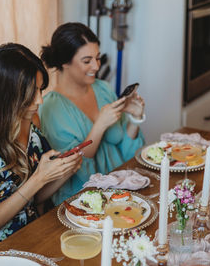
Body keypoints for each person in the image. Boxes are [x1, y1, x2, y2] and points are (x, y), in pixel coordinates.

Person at [0, 43, 82, 263]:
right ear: (4, 94)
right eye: (30, 94)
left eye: (40, 90)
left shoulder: (29, 118)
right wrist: (39, 178)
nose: (39, 100)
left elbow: (34, 198)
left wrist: (63, 171)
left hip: (31, 232)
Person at [39, 22, 145, 205]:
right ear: (65, 62)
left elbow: (126, 152)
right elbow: (75, 169)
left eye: (98, 58)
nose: (96, 66)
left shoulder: (102, 89)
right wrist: (100, 125)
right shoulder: (50, 108)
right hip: (82, 200)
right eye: (87, 61)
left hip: (122, 189)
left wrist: (135, 119)